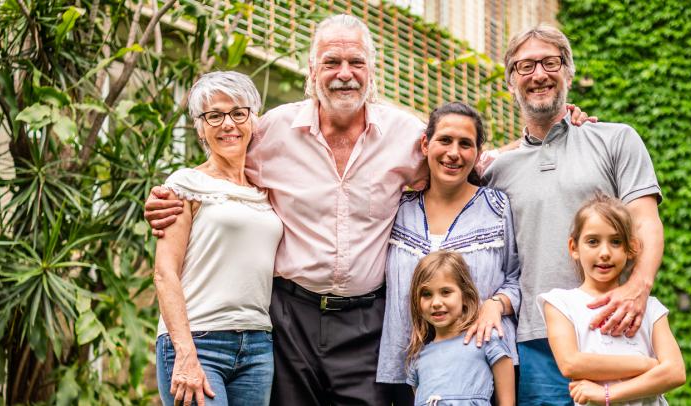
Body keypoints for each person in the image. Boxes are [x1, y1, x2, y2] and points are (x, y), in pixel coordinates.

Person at [143, 15, 595, 405]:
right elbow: (223, 158)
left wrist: (556, 128)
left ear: (371, 70)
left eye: (356, 62)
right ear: (312, 70)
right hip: (288, 319)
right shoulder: (272, 132)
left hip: (366, 324)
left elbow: (467, 158)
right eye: (332, 62)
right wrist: (174, 193)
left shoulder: (404, 134)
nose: (344, 73)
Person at [481, 25, 665, 404]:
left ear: (568, 71)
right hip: (534, 341)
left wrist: (639, 287)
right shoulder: (496, 171)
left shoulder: (616, 140)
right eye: (525, 66)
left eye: (551, 62)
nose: (539, 74)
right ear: (510, 81)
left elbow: (645, 220)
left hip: (612, 325)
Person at [152, 71, 281, 406]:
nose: (228, 124)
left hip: (257, 345)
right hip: (198, 341)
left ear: (254, 120)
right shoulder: (186, 184)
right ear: (200, 127)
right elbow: (165, 272)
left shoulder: (266, 190)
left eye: (238, 113)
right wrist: (185, 353)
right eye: (215, 116)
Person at [377, 102, 520, 398]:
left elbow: (519, 276)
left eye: (465, 144)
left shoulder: (497, 207)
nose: (454, 153)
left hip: (479, 371)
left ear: (477, 154)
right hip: (409, 369)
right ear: (426, 144)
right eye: (445, 140)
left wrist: (497, 303)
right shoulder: (398, 208)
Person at [537, 194, 685, 405]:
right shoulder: (561, 304)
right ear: (574, 247)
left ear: (631, 248)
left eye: (616, 242)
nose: (605, 252)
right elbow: (571, 363)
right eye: (593, 242)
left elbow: (676, 372)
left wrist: (605, 394)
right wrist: (648, 365)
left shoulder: (651, 308)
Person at [406, 251, 515, 406]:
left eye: (446, 292)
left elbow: (507, 402)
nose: (436, 302)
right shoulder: (418, 357)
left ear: (465, 296)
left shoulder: (485, 340)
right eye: (427, 294)